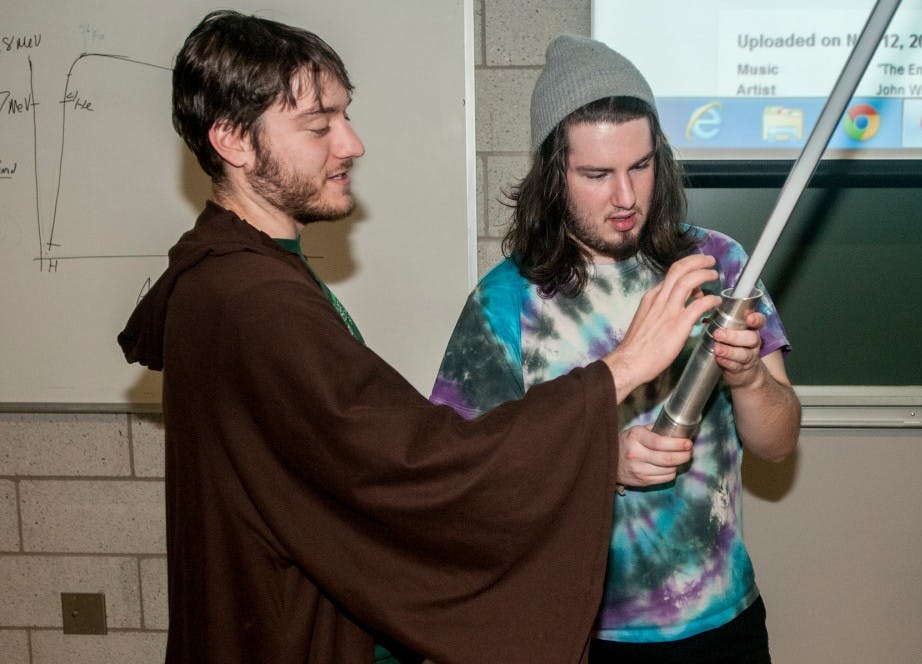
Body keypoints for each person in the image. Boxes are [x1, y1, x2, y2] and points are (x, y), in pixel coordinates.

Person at [117, 13, 724, 664]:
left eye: (345, 117)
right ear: (234, 141)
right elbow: (417, 467)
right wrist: (621, 371)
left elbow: (350, 468)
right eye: (320, 126)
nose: (352, 144)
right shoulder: (252, 305)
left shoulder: (237, 276)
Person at [430, 35, 802, 663]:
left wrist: (747, 379)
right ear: (554, 176)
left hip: (725, 622)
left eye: (641, 165)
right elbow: (467, 481)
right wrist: (598, 462)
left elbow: (778, 441)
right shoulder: (504, 304)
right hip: (580, 634)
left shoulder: (720, 265)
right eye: (597, 175)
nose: (626, 198)